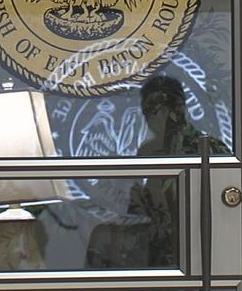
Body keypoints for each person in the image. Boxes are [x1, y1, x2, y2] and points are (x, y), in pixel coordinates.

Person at [85, 75, 229, 268]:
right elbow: (136, 204)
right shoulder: (150, 149)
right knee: (101, 234)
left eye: (150, 111)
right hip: (165, 235)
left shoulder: (205, 149)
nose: (148, 119)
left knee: (102, 237)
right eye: (146, 112)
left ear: (169, 110)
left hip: (188, 240)